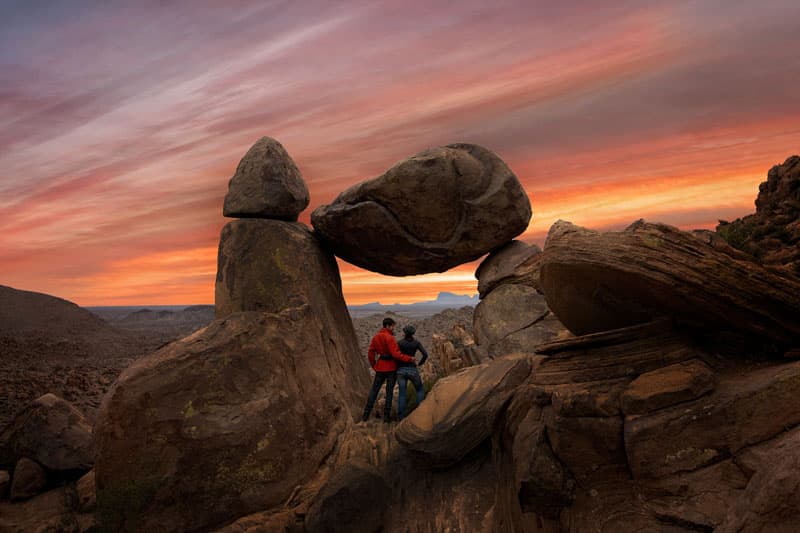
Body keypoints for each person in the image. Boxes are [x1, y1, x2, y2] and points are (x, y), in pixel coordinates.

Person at [362, 317, 415, 423]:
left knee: (374, 391)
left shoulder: (376, 337)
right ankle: (386, 417)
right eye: (392, 326)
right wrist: (410, 358)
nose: (393, 328)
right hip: (391, 368)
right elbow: (396, 354)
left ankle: (366, 414)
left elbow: (371, 353)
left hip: (380, 367)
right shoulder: (390, 338)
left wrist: (374, 365)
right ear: (388, 326)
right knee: (389, 392)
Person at [396, 324, 428, 421]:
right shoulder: (416, 343)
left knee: (402, 394)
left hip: (401, 370)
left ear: (405, 333)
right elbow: (425, 354)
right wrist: (420, 364)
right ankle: (420, 414)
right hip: (412, 370)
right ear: (413, 333)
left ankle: (401, 418)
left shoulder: (400, 343)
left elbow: (396, 355)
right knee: (419, 390)